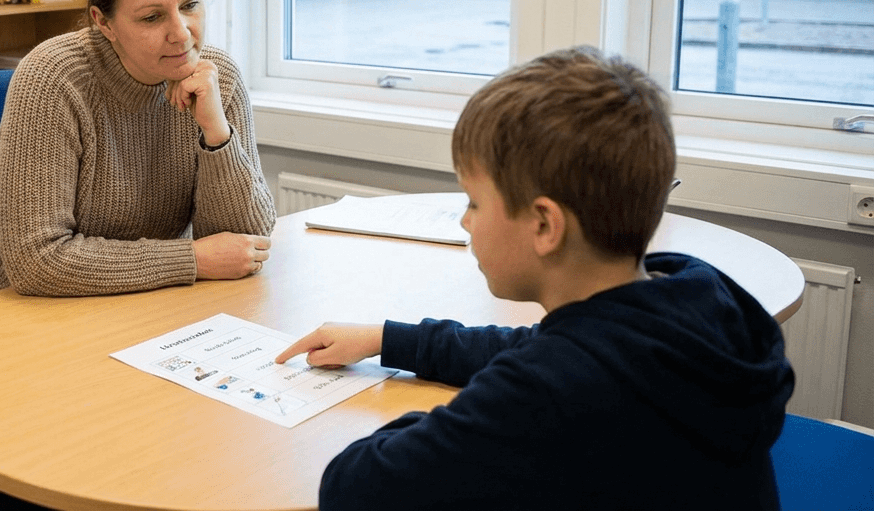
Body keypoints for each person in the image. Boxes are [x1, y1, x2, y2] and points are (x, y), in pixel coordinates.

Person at [275, 46, 794, 511]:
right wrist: (389, 339)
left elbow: (354, 487)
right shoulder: (692, 293)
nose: (465, 220)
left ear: (545, 225)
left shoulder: (542, 398)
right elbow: (542, 346)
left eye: (475, 202)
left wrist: (465, 417)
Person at [0, 0, 276, 311]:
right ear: (104, 22)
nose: (182, 33)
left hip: (122, 299)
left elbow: (244, 247)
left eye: (190, 4)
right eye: (152, 17)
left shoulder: (214, 78)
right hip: (1, 305)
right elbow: (36, 262)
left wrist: (216, 133)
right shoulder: (54, 78)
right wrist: (192, 259)